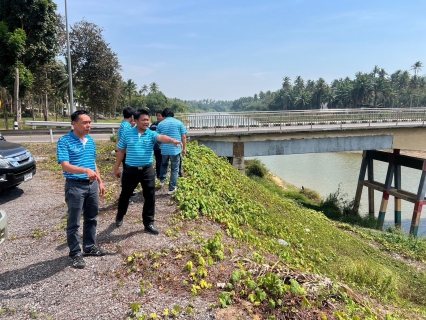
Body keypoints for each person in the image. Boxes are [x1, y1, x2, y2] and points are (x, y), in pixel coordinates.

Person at [113, 109, 182, 233]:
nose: (146, 122)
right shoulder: (127, 133)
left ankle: (148, 223)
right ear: (136, 120)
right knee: (125, 195)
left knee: (150, 196)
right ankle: (120, 216)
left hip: (147, 171)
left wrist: (172, 140)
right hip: (130, 170)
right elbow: (121, 151)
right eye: (144, 120)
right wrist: (117, 167)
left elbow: (161, 137)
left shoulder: (151, 134)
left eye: (148, 120)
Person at [57, 110, 107, 269]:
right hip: (75, 185)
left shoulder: (91, 141)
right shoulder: (64, 141)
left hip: (91, 186)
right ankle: (75, 254)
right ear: (74, 124)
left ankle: (89, 247)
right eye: (85, 122)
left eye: (90, 122)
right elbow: (65, 166)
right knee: (74, 222)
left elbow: (93, 163)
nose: (88, 125)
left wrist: (100, 181)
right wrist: (85, 171)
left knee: (92, 217)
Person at [157, 108, 187, 195]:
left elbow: (157, 137)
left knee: (164, 164)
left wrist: (160, 145)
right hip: (175, 149)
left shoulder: (160, 124)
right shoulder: (179, 123)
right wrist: (184, 149)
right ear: (172, 114)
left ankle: (162, 180)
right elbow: (184, 137)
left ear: (164, 115)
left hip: (164, 149)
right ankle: (172, 188)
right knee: (175, 169)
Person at [149, 110, 165, 179]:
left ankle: (161, 174)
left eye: (159, 116)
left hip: (163, 146)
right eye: (157, 115)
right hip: (156, 146)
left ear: (163, 117)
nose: (158, 117)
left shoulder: (164, 125)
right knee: (159, 161)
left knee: (162, 161)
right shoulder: (154, 124)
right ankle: (159, 175)